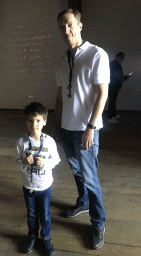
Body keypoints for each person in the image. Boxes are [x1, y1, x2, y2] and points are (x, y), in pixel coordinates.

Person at [53, 9, 110, 249]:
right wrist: (56, 126)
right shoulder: (60, 60)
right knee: (77, 171)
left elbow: (102, 94)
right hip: (66, 129)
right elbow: (58, 98)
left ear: (79, 25)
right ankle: (83, 202)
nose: (66, 30)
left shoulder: (96, 54)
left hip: (86, 130)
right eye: (62, 27)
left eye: (69, 25)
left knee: (90, 177)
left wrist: (90, 127)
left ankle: (98, 222)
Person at [15, 102, 60, 256]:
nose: (34, 124)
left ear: (45, 121)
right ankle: (32, 236)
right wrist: (23, 162)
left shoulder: (49, 141)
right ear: (25, 121)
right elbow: (15, 163)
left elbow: (56, 160)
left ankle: (46, 237)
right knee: (32, 213)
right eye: (30, 120)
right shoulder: (21, 142)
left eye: (38, 120)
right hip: (28, 186)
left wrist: (46, 163)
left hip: (45, 186)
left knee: (45, 214)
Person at [107, 52, 132, 123]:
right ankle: (110, 118)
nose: (123, 60)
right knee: (112, 102)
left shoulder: (111, 63)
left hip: (111, 85)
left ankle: (113, 115)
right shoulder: (116, 65)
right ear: (120, 57)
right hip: (114, 86)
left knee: (113, 101)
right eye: (123, 58)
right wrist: (127, 77)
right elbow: (119, 77)